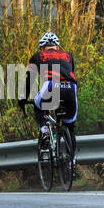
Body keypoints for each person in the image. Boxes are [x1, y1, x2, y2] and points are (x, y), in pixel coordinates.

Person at [18, 31, 79, 163]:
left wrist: (22, 99)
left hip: (51, 86)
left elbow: (29, 79)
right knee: (70, 127)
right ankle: (71, 162)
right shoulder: (69, 55)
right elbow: (70, 73)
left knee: (37, 104)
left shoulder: (37, 56)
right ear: (57, 47)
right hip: (70, 89)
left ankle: (45, 130)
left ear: (42, 48)